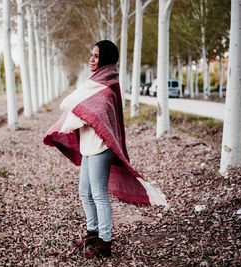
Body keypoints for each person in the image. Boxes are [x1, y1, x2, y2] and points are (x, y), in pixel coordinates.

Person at [43, 40, 168, 259]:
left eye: (96, 56)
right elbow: (75, 108)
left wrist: (68, 122)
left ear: (106, 60)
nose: (91, 59)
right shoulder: (93, 84)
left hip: (101, 146)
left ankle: (105, 243)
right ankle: (92, 234)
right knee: (85, 192)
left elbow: (90, 114)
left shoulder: (106, 89)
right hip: (88, 145)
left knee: (99, 194)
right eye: (91, 55)